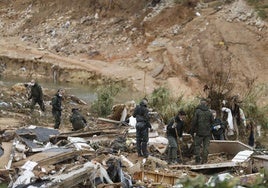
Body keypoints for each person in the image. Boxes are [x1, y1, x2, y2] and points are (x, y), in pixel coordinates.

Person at [191, 99, 214, 164]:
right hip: (207, 133)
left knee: (197, 146)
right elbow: (212, 121)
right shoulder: (209, 112)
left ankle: (197, 160)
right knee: (206, 147)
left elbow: (194, 122)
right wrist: (210, 129)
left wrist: (192, 132)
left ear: (200, 103)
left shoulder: (197, 111)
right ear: (206, 104)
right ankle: (204, 160)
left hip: (199, 132)